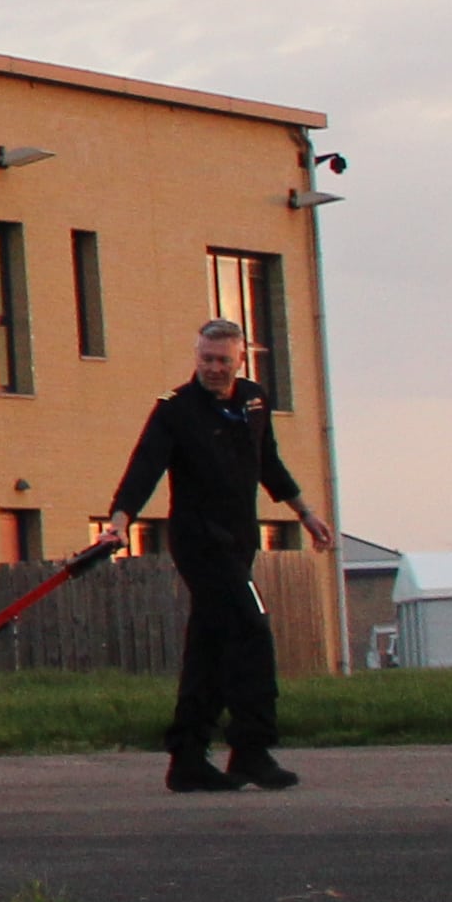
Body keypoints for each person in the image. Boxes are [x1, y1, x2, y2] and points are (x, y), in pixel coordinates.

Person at [96, 319, 324, 794]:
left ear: (240, 360)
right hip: (199, 542)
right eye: (206, 359)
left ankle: (187, 757)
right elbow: (144, 468)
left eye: (223, 360)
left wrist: (304, 514)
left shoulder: (254, 400)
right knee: (252, 629)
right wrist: (118, 522)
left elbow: (269, 464)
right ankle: (252, 749)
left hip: (240, 541)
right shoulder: (175, 410)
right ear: (195, 357)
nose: (214, 368)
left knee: (210, 644)